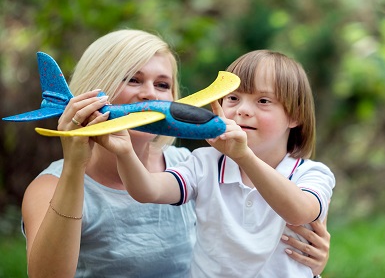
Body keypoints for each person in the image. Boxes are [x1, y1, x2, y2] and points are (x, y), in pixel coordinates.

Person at [20, 29, 330, 277]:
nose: (149, 95)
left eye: (163, 84)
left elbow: (291, 216)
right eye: (133, 79)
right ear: (93, 89)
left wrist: (308, 261)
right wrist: (77, 164)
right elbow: (145, 190)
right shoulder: (203, 165)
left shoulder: (185, 161)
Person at [100, 49, 335, 277]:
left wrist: (244, 157)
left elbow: (300, 213)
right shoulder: (204, 164)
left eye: (263, 100)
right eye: (233, 98)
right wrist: (125, 153)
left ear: (295, 115)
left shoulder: (312, 174)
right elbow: (147, 190)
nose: (242, 110)